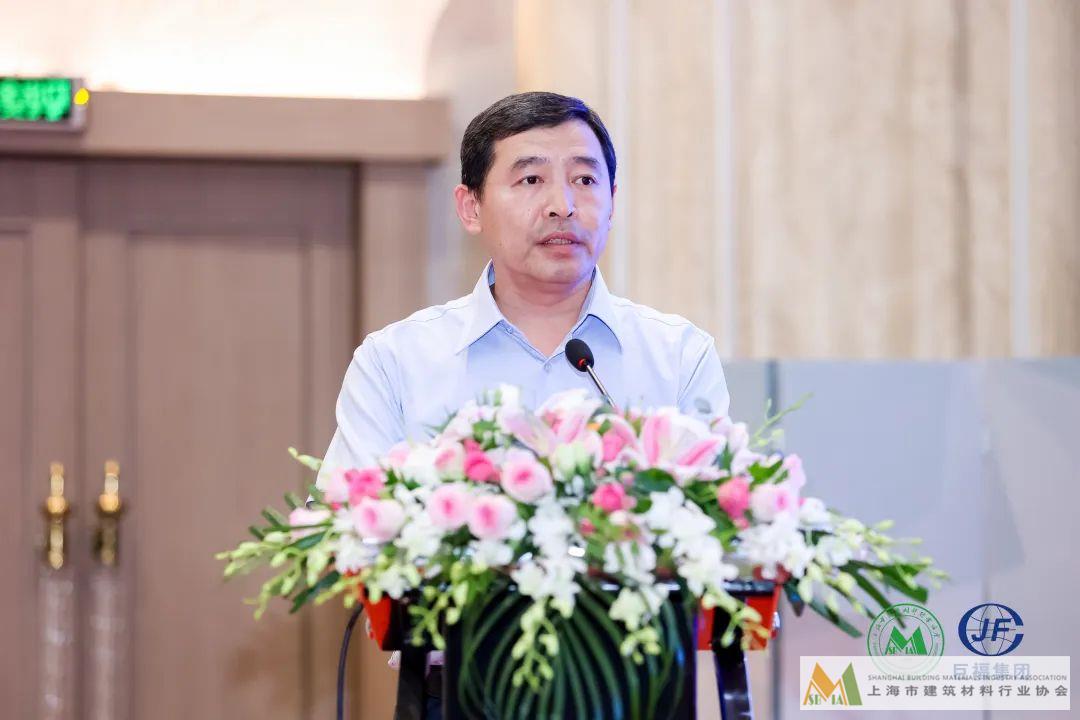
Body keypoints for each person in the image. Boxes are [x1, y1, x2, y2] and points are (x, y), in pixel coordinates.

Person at [318, 91, 730, 718]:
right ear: (470, 206)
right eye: (531, 179)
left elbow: (721, 529)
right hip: (455, 695)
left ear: (613, 201)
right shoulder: (397, 360)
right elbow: (345, 528)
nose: (563, 204)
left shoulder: (677, 355)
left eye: (585, 179)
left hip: (640, 691)